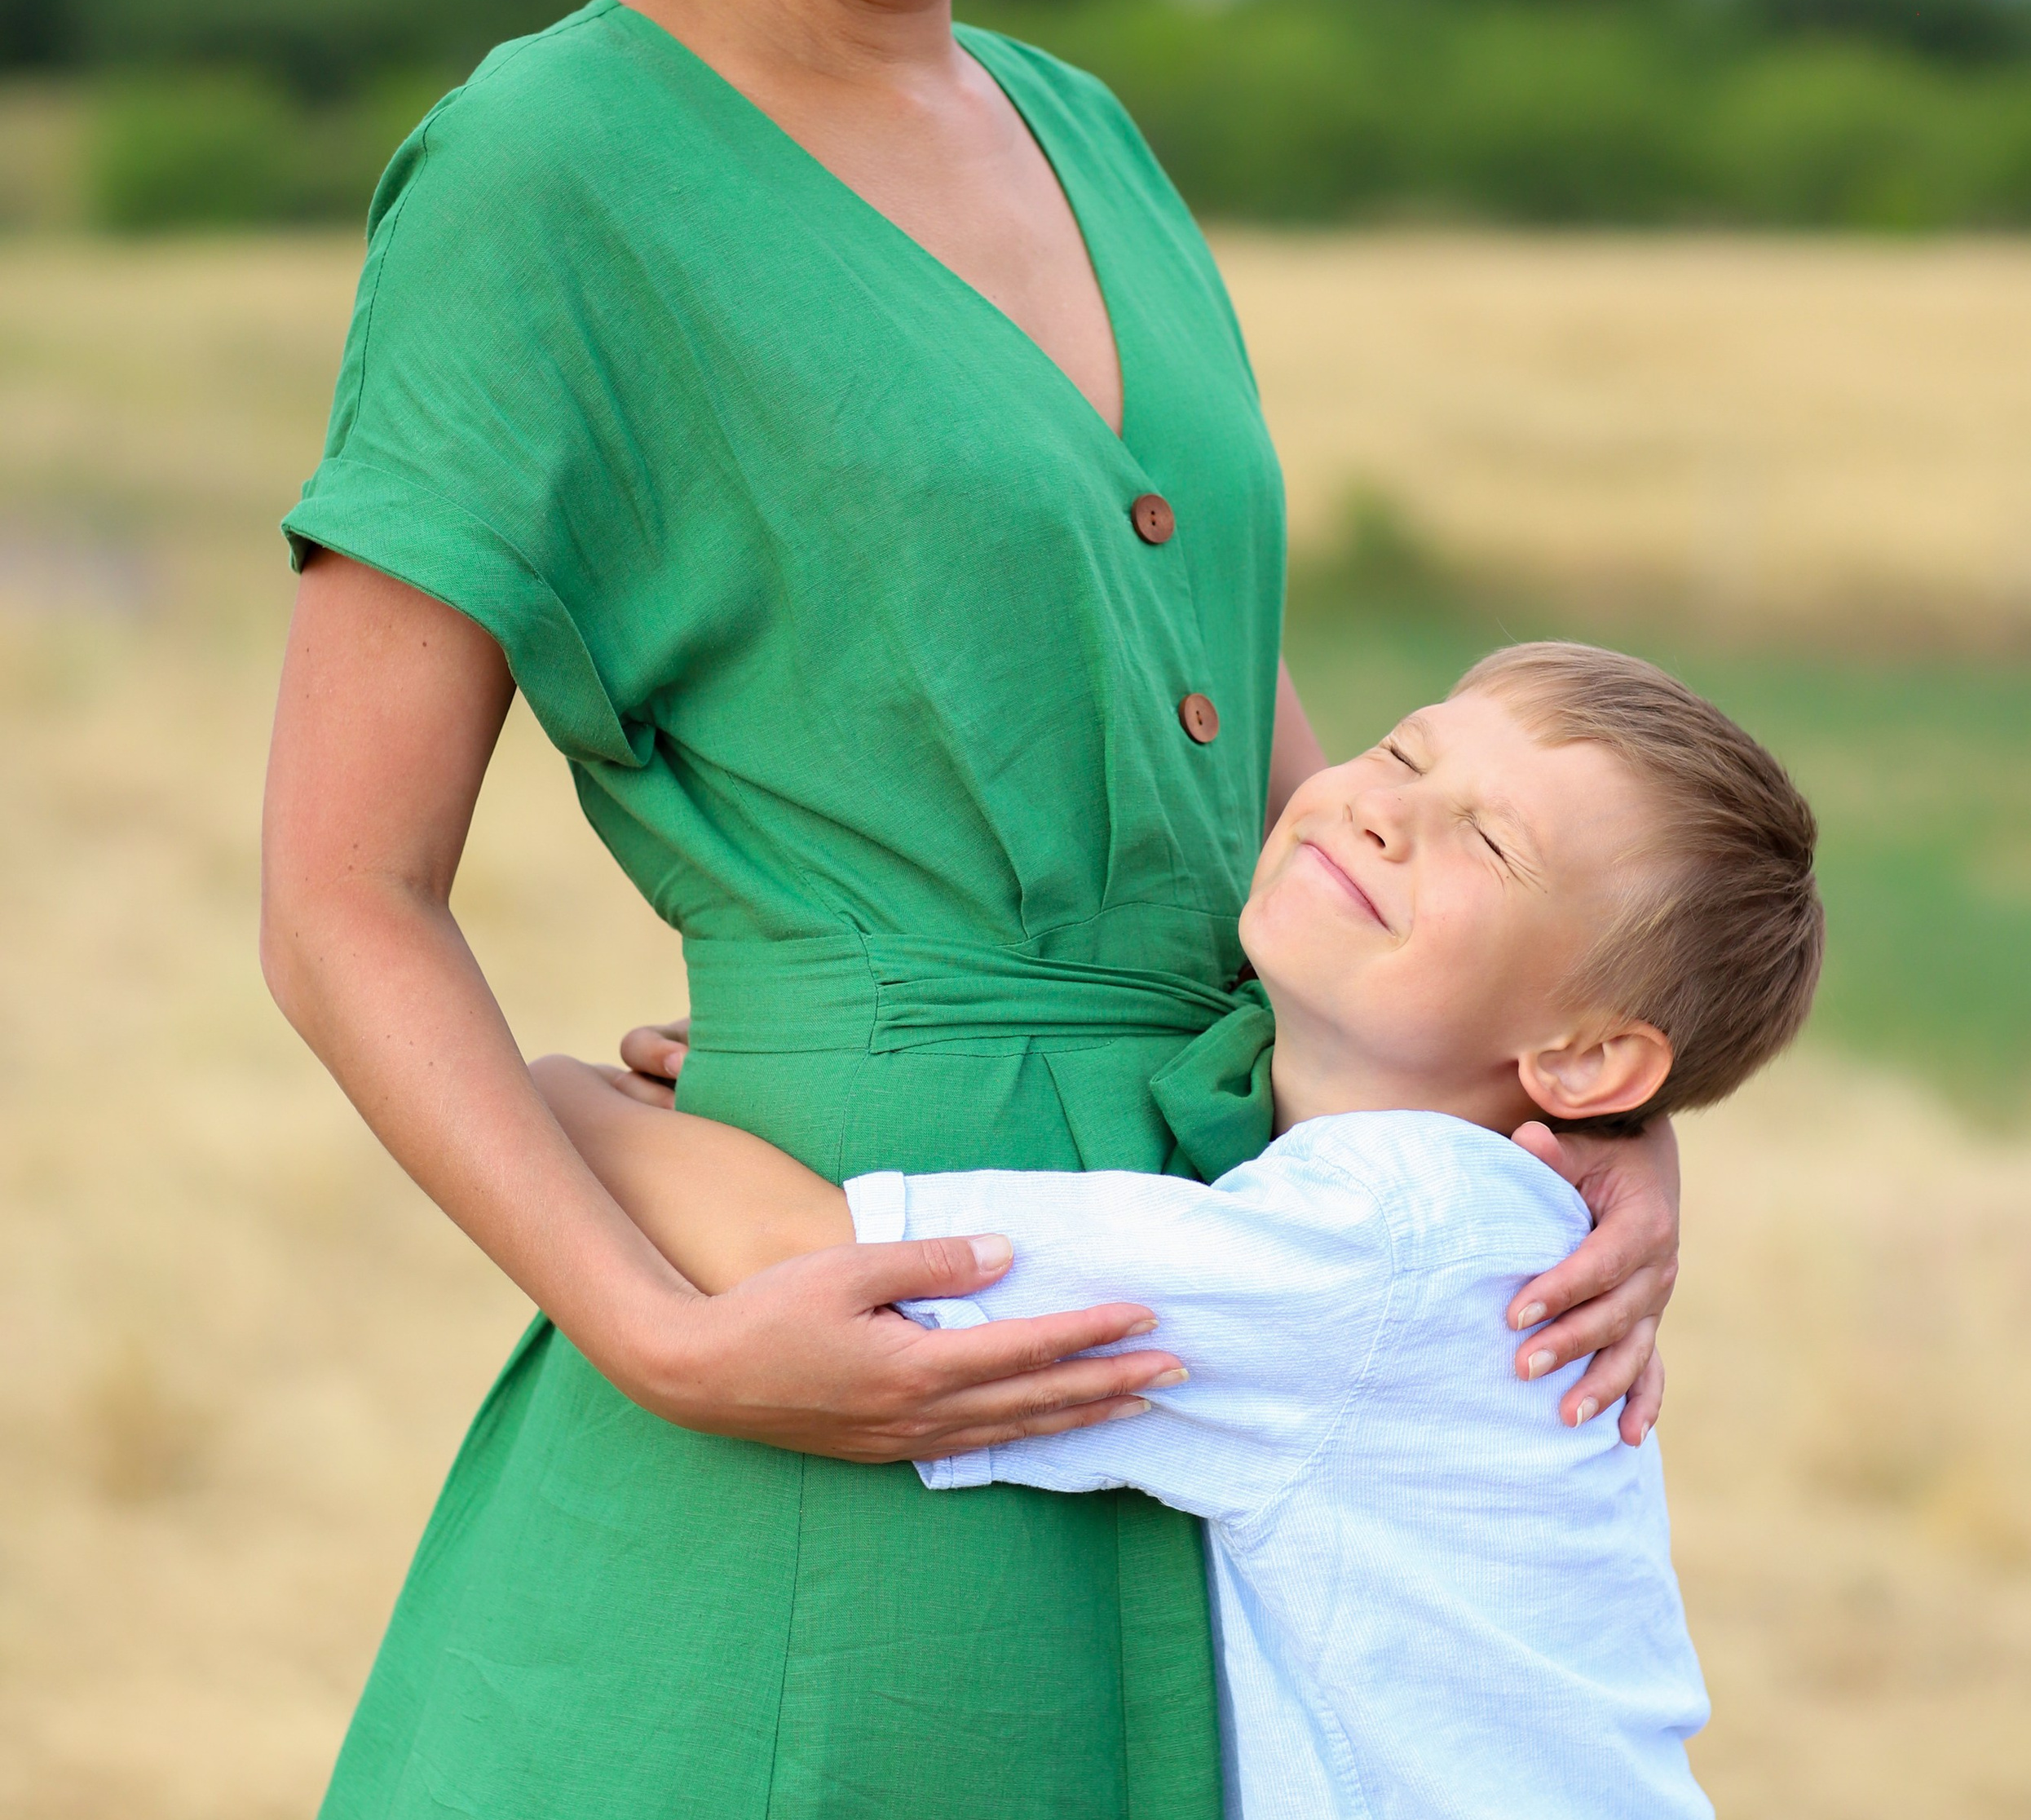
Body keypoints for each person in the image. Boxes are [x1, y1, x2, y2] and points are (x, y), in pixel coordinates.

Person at [258, 0, 1685, 1814]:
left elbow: (1226, 738)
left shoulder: (1080, 131)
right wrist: (659, 1336)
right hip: (837, 1312)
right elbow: (339, 897)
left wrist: (1566, 1117)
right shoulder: (540, 173)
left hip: (1229, 1302)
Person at [536, 643, 1826, 1819]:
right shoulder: (1441, 1212)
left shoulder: (1390, 1241)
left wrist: (561, 1101)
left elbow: (833, 1266)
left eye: (1487, 844)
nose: (1380, 808)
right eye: (1401, 753)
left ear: (1592, 1060)